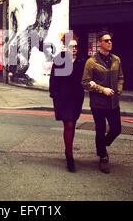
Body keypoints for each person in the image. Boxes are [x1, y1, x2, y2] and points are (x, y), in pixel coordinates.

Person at [82, 31, 124, 174]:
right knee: (100, 129)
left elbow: (120, 77)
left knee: (116, 129)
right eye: (106, 40)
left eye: (110, 40)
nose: (109, 42)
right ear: (99, 43)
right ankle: (103, 156)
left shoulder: (116, 60)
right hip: (98, 103)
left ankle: (102, 145)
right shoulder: (91, 62)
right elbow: (85, 83)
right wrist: (102, 89)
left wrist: (118, 90)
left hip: (113, 102)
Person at [49, 34, 85, 173]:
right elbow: (53, 79)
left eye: (76, 46)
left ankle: (68, 148)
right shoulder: (59, 59)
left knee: (72, 124)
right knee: (68, 124)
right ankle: (69, 156)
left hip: (76, 98)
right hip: (63, 98)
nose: (74, 48)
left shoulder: (82, 60)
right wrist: (55, 95)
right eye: (71, 46)